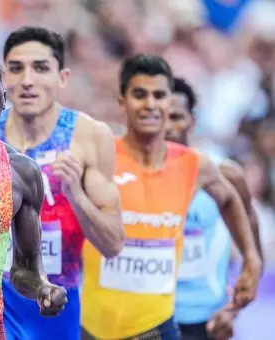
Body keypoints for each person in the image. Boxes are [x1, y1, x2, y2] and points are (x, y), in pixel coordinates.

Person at [80, 55, 262, 340]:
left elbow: (234, 204)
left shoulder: (201, 166)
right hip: (106, 322)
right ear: (122, 102)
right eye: (140, 95)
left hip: (181, 320)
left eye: (160, 97)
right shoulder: (100, 156)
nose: (152, 106)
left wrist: (252, 262)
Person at [0, 26, 123, 340]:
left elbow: (113, 244)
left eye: (40, 68)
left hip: (55, 303)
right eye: (16, 68)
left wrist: (76, 194)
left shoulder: (88, 137)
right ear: (3, 77)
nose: (27, 81)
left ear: (62, 77)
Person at [165, 77, 263, 340]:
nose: (168, 127)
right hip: (147, 313)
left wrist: (235, 304)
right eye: (161, 116)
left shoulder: (224, 174)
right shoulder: (128, 175)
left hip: (204, 316)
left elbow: (251, 232)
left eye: (176, 116)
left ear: (192, 121)